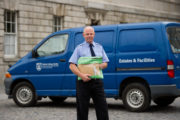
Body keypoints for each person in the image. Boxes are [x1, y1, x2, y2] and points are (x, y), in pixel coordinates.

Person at [69, 26, 109, 120]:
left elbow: (105, 63)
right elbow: (71, 65)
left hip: (97, 81)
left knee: (102, 107)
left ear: (94, 34)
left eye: (91, 34)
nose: (89, 36)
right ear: (83, 35)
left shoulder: (99, 47)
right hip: (83, 82)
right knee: (82, 109)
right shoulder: (79, 48)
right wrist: (81, 75)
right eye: (87, 34)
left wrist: (101, 66)